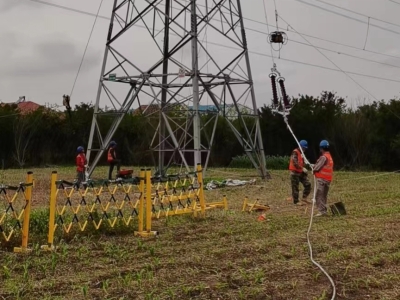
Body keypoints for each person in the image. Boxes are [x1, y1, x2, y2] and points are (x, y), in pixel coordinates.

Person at [312, 140, 334, 217]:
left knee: (319, 195)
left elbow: (317, 168)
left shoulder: (323, 157)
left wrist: (313, 168)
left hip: (322, 180)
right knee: (324, 195)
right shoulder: (329, 156)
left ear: (321, 148)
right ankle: (323, 210)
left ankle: (322, 211)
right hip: (328, 180)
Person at [288, 140, 311, 206]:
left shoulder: (302, 153)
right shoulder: (295, 152)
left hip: (300, 172)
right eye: (303, 148)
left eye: (305, 148)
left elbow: (302, 162)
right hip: (294, 172)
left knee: (308, 184)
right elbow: (295, 163)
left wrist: (306, 166)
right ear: (300, 146)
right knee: (295, 187)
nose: (304, 149)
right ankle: (296, 201)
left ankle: (304, 197)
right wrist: (302, 168)